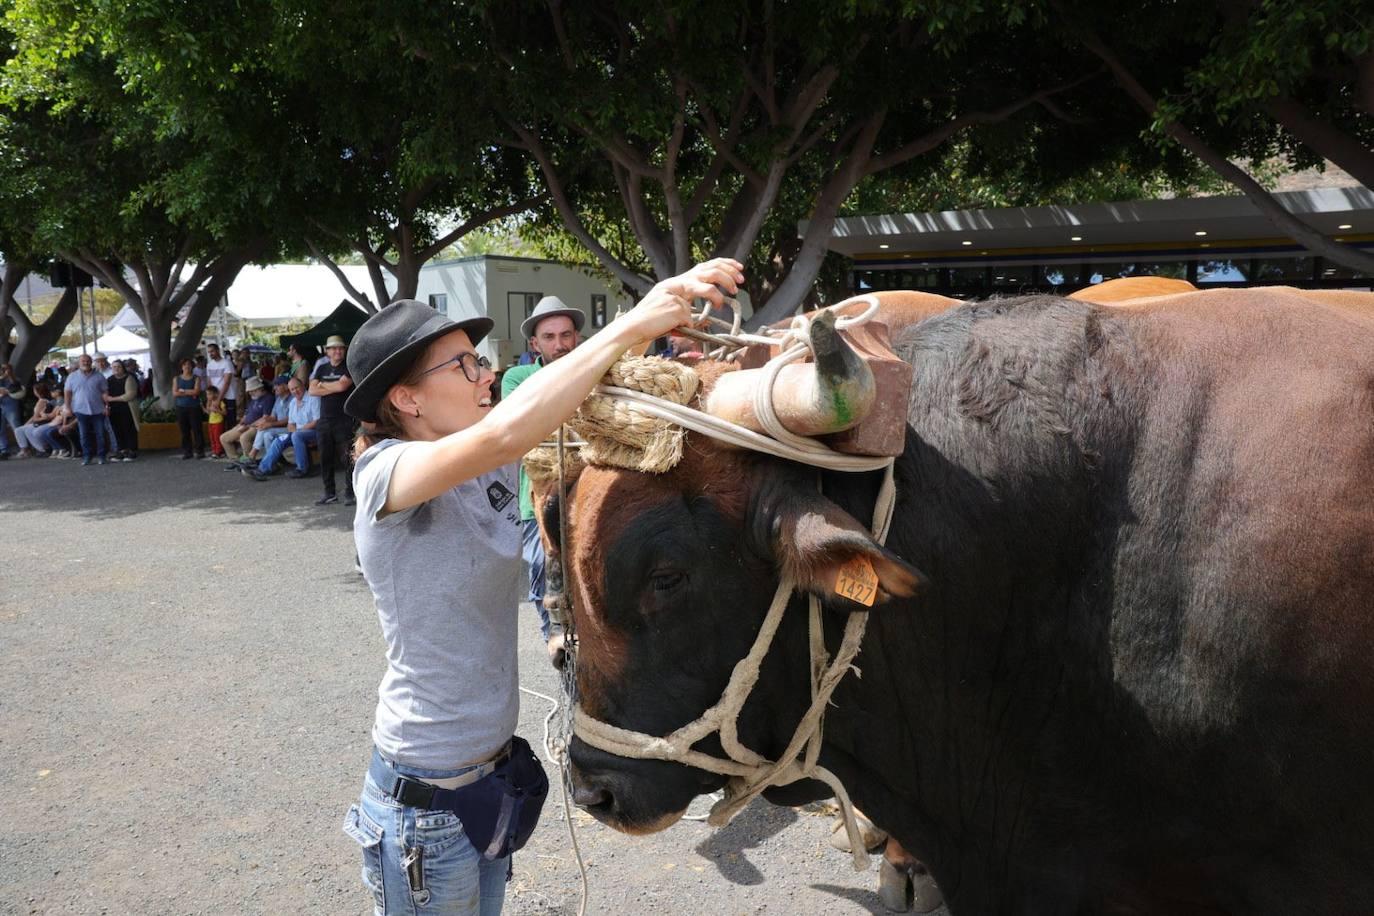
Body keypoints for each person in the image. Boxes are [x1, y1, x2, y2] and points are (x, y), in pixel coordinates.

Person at [338, 258, 744, 916]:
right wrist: (640, 319)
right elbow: (510, 427)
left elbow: (562, 391)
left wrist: (652, 315)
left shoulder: (476, 452)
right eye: (464, 365)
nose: (486, 373)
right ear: (405, 399)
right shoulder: (384, 473)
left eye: (480, 359)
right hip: (424, 802)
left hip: (488, 778)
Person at [500, 296, 585, 660]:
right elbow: (521, 425)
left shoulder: (593, 373)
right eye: (549, 337)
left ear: (577, 338)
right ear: (534, 344)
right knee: (541, 567)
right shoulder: (517, 378)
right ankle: (556, 643)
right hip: (537, 499)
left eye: (566, 335)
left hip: (590, 491)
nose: (559, 344)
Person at [308, 335, 354, 506]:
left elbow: (343, 386)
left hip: (344, 418)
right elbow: (311, 390)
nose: (337, 351)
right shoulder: (321, 368)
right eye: (334, 348)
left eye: (340, 348)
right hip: (325, 420)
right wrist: (331, 387)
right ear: (327, 351)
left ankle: (350, 491)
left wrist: (322, 386)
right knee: (325, 458)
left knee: (347, 457)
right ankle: (330, 493)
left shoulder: (348, 367)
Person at [247, 377, 319, 480]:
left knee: (296, 436)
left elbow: (317, 421)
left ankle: (302, 469)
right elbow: (290, 424)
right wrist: (294, 431)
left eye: (297, 388)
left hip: (313, 431)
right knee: (279, 440)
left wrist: (298, 431)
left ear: (303, 386)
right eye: (292, 389)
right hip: (297, 433)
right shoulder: (293, 402)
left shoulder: (313, 398)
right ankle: (262, 469)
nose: (295, 391)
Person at [63, 353, 109, 466]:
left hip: (98, 410)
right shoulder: (72, 376)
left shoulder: (99, 376)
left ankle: (102, 456)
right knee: (84, 435)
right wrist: (67, 407)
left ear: (91, 362)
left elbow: (105, 392)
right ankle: (87, 456)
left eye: (88, 361)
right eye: (83, 361)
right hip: (80, 410)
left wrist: (107, 406)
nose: (86, 363)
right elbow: (67, 393)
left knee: (101, 434)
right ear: (79, 363)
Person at [219, 376, 277, 465]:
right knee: (224, 438)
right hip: (246, 425)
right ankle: (236, 461)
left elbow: (265, 418)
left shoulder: (268, 399)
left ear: (260, 388)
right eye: (250, 391)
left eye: (252, 391)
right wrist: (241, 423)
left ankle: (250, 461)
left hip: (257, 426)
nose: (250, 393)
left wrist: (248, 426)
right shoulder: (254, 398)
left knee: (244, 437)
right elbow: (246, 414)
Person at [103, 358, 140, 461]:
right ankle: (122, 450)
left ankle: (132, 451)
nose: (116, 369)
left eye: (118, 367)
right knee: (117, 430)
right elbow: (105, 393)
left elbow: (130, 395)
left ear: (123, 368)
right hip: (114, 409)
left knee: (129, 429)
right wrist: (107, 402)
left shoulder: (129, 378)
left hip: (127, 408)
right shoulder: (109, 379)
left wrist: (112, 399)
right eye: (114, 367)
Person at [173, 358, 206, 459]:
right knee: (184, 431)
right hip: (181, 407)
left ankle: (200, 451)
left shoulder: (196, 378)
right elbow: (175, 393)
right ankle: (187, 451)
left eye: (189, 365)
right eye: (184, 365)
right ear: (181, 367)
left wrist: (182, 391)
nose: (187, 367)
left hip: (194, 407)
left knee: (197, 429)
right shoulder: (176, 379)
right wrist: (189, 392)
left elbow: (196, 391)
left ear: (192, 366)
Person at [13, 382, 56, 457]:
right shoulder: (42, 400)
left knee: (27, 430)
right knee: (19, 429)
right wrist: (27, 423)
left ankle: (41, 449)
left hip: (42, 422)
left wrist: (29, 423)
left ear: (37, 391)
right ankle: (25, 450)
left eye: (34, 390)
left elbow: (36, 417)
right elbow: (34, 416)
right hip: (41, 420)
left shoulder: (42, 401)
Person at [0, 362, 27, 458]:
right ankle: (3, 450)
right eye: (3, 369)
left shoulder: (14, 378)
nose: (4, 371)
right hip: (1, 404)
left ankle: (24, 448)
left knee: (15, 426)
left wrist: (9, 375)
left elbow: (16, 386)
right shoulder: (1, 379)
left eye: (6, 369)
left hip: (10, 405)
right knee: (1, 429)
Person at [205, 343, 235, 427]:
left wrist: (218, 399)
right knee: (218, 422)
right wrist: (210, 399)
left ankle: (231, 440)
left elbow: (227, 383)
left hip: (228, 396)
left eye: (212, 351)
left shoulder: (227, 363)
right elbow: (209, 382)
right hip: (215, 397)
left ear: (218, 350)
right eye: (209, 352)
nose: (211, 354)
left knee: (230, 421)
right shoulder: (209, 365)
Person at [204, 385, 226, 458]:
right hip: (211, 422)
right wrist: (203, 408)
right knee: (212, 437)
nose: (208, 396)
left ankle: (219, 452)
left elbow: (225, 412)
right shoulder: (210, 402)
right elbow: (208, 412)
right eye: (207, 394)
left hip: (218, 422)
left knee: (217, 437)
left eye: (209, 394)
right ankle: (214, 451)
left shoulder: (220, 402)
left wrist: (217, 410)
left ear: (216, 394)